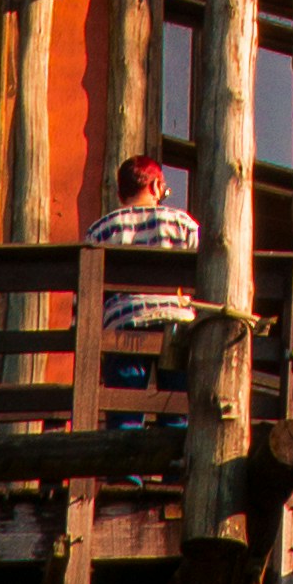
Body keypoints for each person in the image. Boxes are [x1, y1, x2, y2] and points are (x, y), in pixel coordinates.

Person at [101, 145, 201, 412]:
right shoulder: (184, 224)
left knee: (124, 414)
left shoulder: (102, 230)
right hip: (174, 326)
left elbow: (88, 293)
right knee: (176, 410)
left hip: (124, 325)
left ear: (121, 193)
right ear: (156, 187)